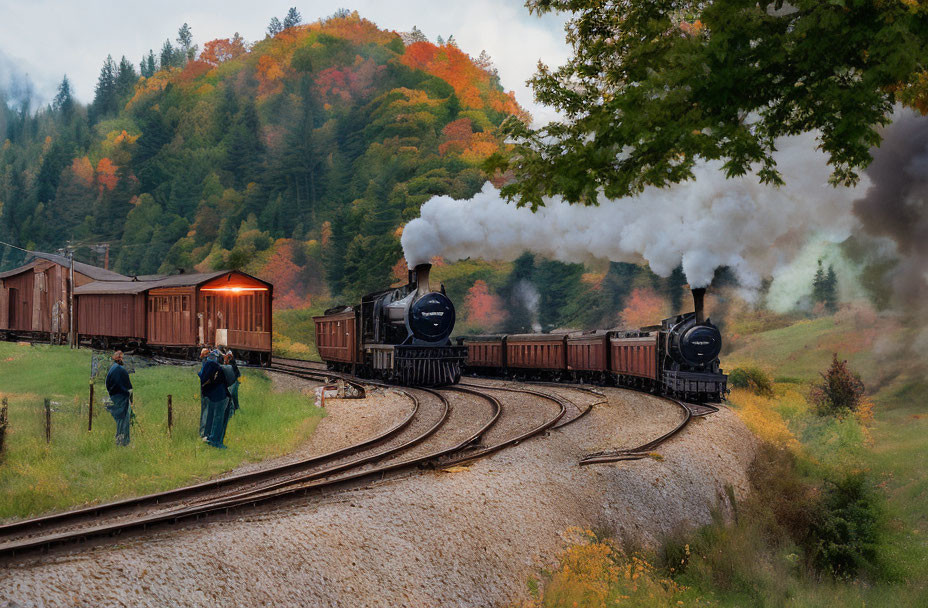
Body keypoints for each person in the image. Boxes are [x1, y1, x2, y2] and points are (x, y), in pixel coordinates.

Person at [199, 348, 231, 449]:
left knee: (210, 415)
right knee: (218, 418)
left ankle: (207, 436)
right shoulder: (217, 367)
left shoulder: (207, 365)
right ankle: (215, 441)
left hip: (211, 395)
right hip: (219, 395)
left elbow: (203, 378)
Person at [104, 351, 133, 446]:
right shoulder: (122, 370)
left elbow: (107, 383)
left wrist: (112, 394)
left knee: (119, 419)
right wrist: (130, 399)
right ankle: (123, 442)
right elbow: (129, 387)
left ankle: (120, 441)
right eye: (122, 358)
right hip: (123, 397)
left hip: (114, 397)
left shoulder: (111, 369)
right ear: (120, 359)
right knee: (124, 419)